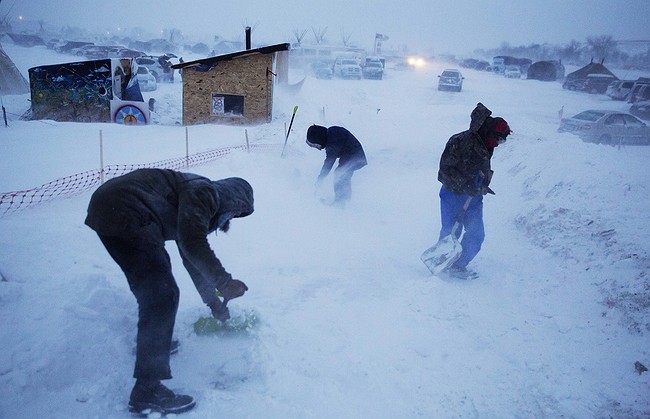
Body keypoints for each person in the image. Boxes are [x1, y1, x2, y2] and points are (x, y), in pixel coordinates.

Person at [84, 168, 253, 415]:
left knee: (153, 290)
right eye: (237, 211)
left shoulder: (200, 202)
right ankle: (147, 391)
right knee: (162, 295)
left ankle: (153, 344)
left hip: (112, 210)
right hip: (126, 209)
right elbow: (192, 244)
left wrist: (214, 304)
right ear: (234, 199)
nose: (233, 216)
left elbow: (191, 258)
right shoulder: (206, 193)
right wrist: (224, 281)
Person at [437, 102, 511, 279]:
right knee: (451, 231)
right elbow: (444, 170)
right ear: (490, 132)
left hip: (474, 198)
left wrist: (482, 185)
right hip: (452, 195)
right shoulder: (459, 141)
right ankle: (441, 261)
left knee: (477, 234)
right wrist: (465, 185)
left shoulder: (487, 144)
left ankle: (458, 266)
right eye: (499, 139)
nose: (499, 144)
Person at [306, 124, 367, 206]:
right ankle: (344, 200)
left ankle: (341, 202)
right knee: (341, 173)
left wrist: (321, 178)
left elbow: (329, 162)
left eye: (317, 145)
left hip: (356, 157)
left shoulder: (332, 141)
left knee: (340, 174)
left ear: (319, 139)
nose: (319, 148)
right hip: (351, 156)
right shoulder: (331, 133)